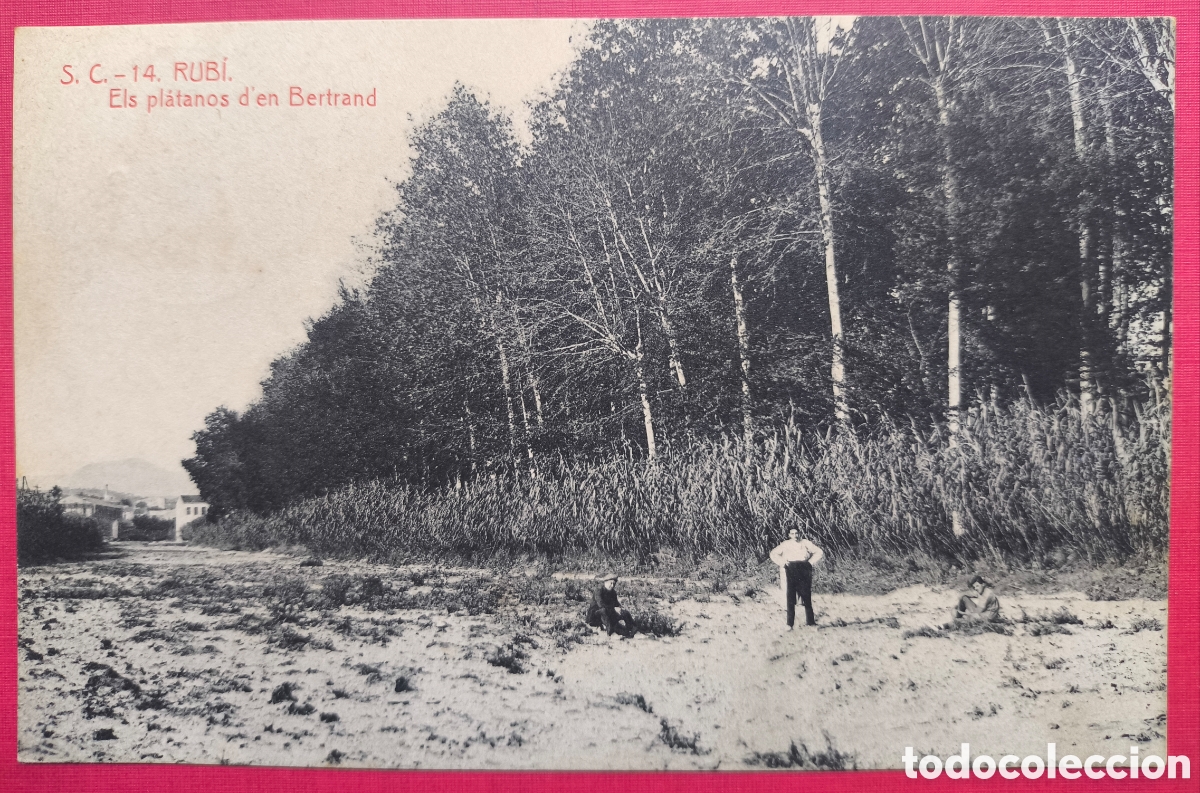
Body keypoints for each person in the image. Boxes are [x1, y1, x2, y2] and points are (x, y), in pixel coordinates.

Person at [769, 528, 824, 629]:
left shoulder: (805, 542)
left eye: (796, 533)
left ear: (799, 533)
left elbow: (819, 552)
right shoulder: (785, 544)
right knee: (790, 596)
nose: (795, 535)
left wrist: (810, 562)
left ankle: (811, 622)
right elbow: (773, 554)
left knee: (806, 595)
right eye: (792, 534)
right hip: (791, 569)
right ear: (789, 535)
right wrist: (783, 563)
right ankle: (790, 624)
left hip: (804, 568)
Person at [585, 573, 635, 637]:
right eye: (610, 583)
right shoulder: (599, 590)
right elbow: (601, 604)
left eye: (614, 584)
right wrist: (614, 608)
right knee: (603, 611)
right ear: (605, 582)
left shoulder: (613, 593)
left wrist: (620, 608)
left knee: (624, 612)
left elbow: (616, 604)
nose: (612, 585)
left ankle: (631, 629)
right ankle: (610, 633)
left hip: (607, 613)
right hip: (595, 616)